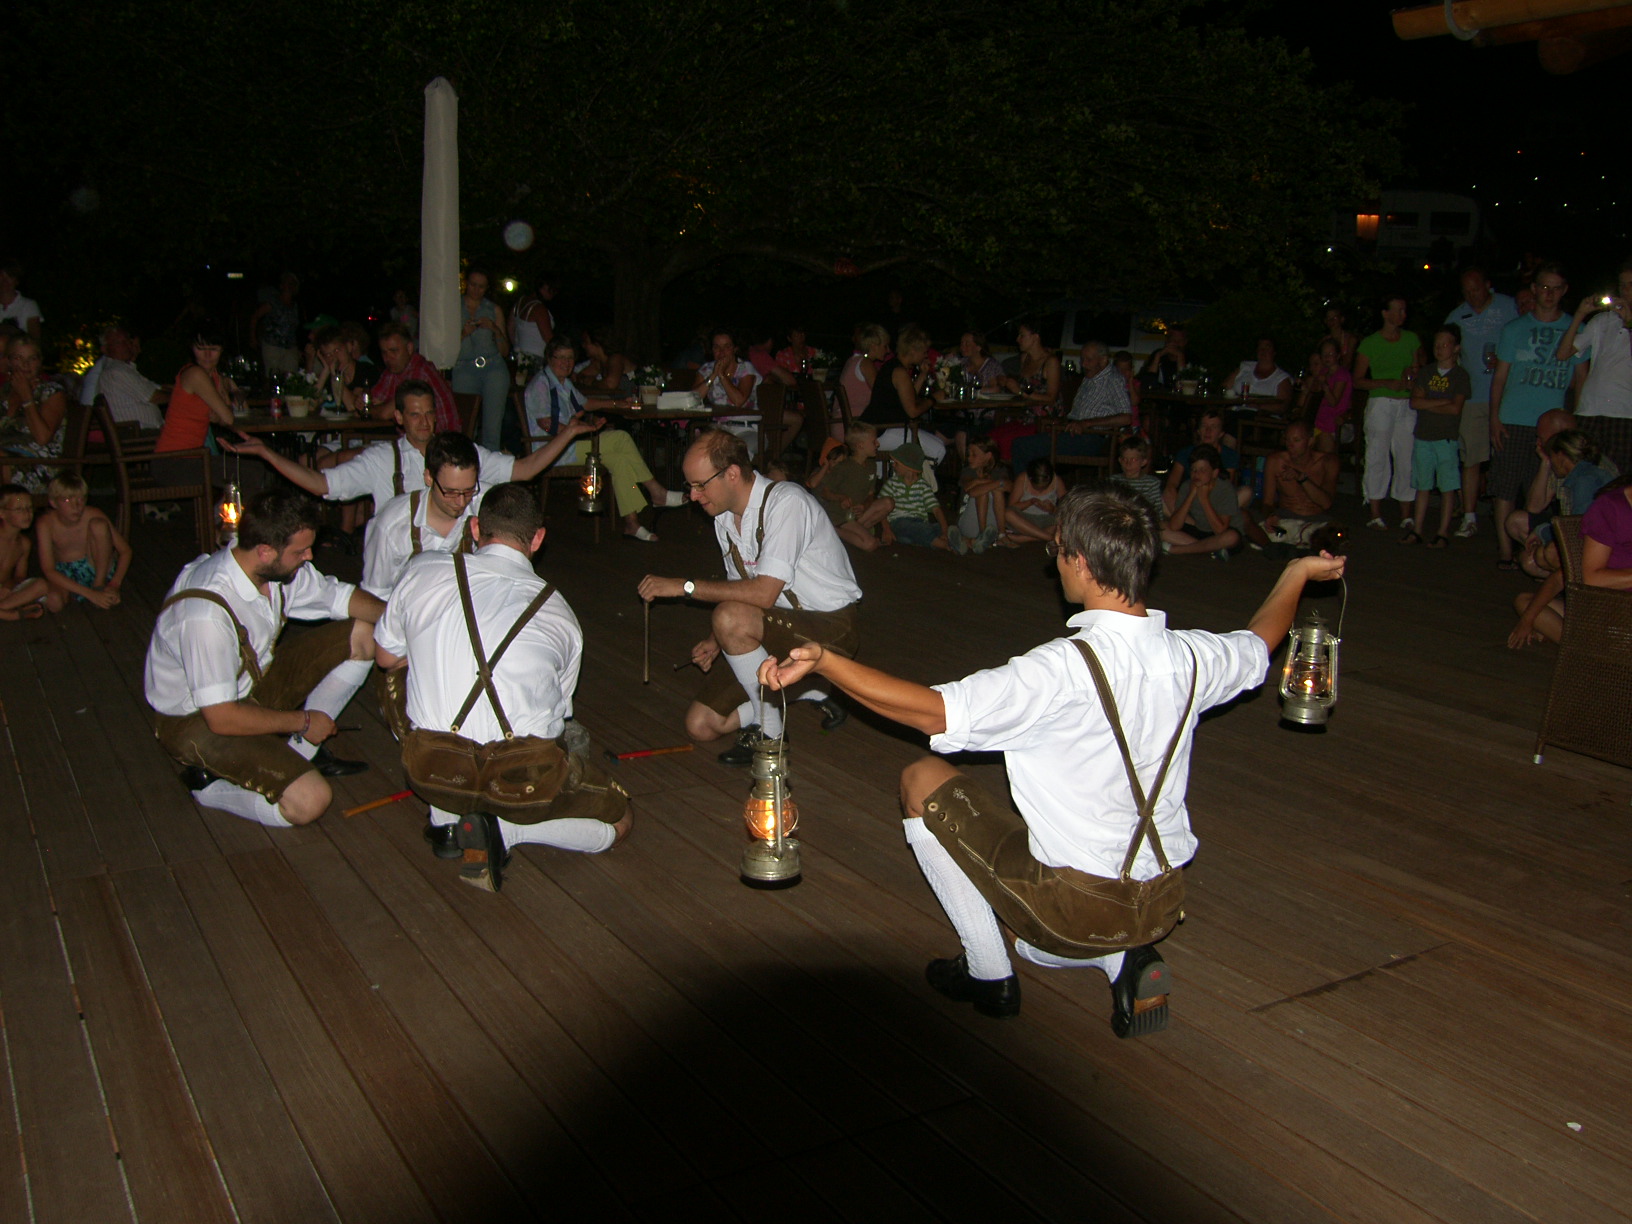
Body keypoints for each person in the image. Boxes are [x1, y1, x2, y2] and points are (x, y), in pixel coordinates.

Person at [757, 485, 1346, 1036]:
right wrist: (1295, 574)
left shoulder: (1059, 671)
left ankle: (988, 974)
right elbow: (1260, 641)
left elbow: (933, 714)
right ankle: (1120, 955)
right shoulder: (1192, 656)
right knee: (1049, 901)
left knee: (921, 778)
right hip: (1162, 900)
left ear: (1082, 564)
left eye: (1058, 550)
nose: (1054, 562)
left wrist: (827, 662)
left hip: (1074, 903)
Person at [375, 481, 632, 890]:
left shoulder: (423, 570)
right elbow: (559, 715)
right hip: (520, 778)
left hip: (433, 765)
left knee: (397, 673)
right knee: (621, 819)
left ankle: (447, 821)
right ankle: (503, 830)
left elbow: (385, 657)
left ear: (476, 528)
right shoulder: (561, 613)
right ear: (538, 539)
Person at [144, 487, 386, 828]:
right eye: (300, 551)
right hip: (197, 721)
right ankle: (207, 788)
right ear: (265, 550)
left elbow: (341, 598)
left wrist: (403, 626)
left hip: (252, 684)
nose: (309, 557)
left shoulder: (273, 570)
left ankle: (300, 752)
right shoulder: (204, 616)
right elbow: (222, 718)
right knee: (310, 801)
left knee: (365, 633)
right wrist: (304, 721)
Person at [637, 428, 859, 764]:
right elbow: (739, 591)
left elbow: (763, 593)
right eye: (690, 486)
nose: (693, 496)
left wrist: (684, 586)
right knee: (702, 725)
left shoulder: (787, 502)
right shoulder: (724, 516)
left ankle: (771, 734)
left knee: (730, 617)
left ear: (731, 473)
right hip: (777, 627)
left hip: (831, 628)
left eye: (700, 485)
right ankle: (812, 689)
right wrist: (715, 640)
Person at [227, 379, 595, 533]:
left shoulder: (459, 455)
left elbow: (525, 470)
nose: (424, 422)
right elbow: (322, 484)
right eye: (415, 414)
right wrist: (267, 453)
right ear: (400, 418)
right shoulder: (382, 459)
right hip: (401, 572)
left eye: (429, 413)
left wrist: (567, 434)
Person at [523, 338, 687, 541]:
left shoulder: (563, 383)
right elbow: (546, 423)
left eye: (570, 358)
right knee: (621, 438)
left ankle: (632, 523)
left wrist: (618, 404)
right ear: (549, 358)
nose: (566, 363)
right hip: (551, 450)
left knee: (620, 459)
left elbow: (586, 403)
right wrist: (578, 431)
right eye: (561, 358)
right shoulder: (541, 384)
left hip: (569, 444)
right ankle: (656, 491)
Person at [1491, 263, 1584, 570]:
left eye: (1556, 288)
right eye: (1544, 287)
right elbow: (1500, 378)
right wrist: (1494, 418)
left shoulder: (1576, 329)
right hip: (1513, 418)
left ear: (1564, 291)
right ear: (1534, 289)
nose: (1549, 294)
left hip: (1553, 425)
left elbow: (1581, 378)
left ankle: (1537, 552)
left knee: (1545, 492)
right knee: (1505, 486)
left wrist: (1576, 420)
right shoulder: (1514, 329)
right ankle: (1506, 553)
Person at [1510, 469, 1632, 648]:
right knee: (1525, 602)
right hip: (1609, 610)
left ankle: (1587, 648)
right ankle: (1586, 648)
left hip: (1609, 611)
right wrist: (1527, 620)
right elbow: (1573, 577)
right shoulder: (1611, 509)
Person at [360, 431, 481, 599]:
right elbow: (375, 595)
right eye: (450, 492)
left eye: (469, 491)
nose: (461, 502)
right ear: (429, 478)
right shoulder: (390, 525)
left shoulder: (485, 507)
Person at [1446, 267, 1519, 537]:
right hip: (1473, 396)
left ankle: (1508, 518)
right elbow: (1446, 349)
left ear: (1488, 285)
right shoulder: (1457, 316)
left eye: (1475, 289)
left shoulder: (1509, 306)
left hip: (1507, 396)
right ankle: (1469, 516)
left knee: (1506, 457)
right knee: (1471, 458)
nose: (1472, 295)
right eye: (1466, 291)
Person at [1554, 259, 1632, 476]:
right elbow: (1563, 354)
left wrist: (1629, 322)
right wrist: (1580, 314)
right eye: (1622, 285)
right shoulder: (1602, 321)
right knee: (1585, 473)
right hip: (1590, 410)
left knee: (1619, 477)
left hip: (1624, 413)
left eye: (1631, 285)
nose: (1626, 290)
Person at [1354, 295, 1424, 531]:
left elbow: (1416, 369)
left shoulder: (1411, 339)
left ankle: (1406, 514)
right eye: (1398, 310)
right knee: (1377, 455)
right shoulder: (1370, 343)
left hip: (1405, 403)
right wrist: (1385, 382)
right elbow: (1358, 380)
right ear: (1385, 313)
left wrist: (1411, 378)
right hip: (1381, 403)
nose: (1403, 314)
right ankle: (1375, 512)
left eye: (1404, 310)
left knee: (1406, 456)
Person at [1011, 340, 1132, 476]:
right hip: (1074, 432)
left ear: (1103, 360)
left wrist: (1086, 423)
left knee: (1022, 445)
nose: (1083, 364)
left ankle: (1023, 487)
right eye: (1082, 359)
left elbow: (1126, 417)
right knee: (1030, 443)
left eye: (1089, 360)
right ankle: (1037, 485)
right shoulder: (1091, 376)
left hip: (1091, 438)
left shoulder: (1112, 379)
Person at [1402, 326, 1471, 548]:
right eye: (1436, 345)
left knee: (1447, 487)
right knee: (1422, 485)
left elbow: (1455, 408)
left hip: (1446, 438)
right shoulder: (1427, 372)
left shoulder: (1460, 375)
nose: (1439, 349)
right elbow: (1415, 402)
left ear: (1456, 348)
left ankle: (1442, 532)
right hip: (1423, 436)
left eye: (1445, 344)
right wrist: (1443, 401)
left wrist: (1428, 403)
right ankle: (1417, 530)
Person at [36, 473, 131, 611]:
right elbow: (48, 570)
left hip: (97, 567)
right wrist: (90, 594)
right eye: (67, 500)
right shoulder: (45, 523)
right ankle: (87, 594)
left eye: (81, 499)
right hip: (66, 573)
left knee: (99, 525)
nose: (76, 506)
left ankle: (99, 585)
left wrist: (114, 585)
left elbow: (125, 551)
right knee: (54, 603)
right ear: (53, 502)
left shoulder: (93, 514)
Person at [449, 268, 512, 452]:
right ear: (466, 283)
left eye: (481, 286)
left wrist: (494, 328)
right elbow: (443, 348)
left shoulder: (493, 309)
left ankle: (491, 464)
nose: (476, 290)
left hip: (493, 368)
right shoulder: (453, 307)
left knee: (492, 427)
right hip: (463, 368)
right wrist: (463, 333)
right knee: (465, 426)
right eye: (473, 285)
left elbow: (505, 351)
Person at [0, 335, 68, 492]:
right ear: (9, 361)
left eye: (32, 359)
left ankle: (12, 503)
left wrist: (27, 398)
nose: (25, 364)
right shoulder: (4, 393)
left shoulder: (51, 392)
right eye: (18, 358)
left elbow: (42, 438)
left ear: (40, 362)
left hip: (36, 465)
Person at [809, 421, 890, 551]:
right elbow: (825, 492)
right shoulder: (843, 467)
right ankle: (833, 530)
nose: (877, 444)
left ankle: (854, 532)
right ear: (860, 445)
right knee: (870, 545)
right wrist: (840, 498)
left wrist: (865, 506)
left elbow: (871, 495)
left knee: (888, 503)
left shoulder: (871, 466)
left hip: (856, 514)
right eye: (873, 441)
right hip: (840, 516)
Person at [872, 326, 947, 462]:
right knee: (938, 449)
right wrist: (933, 399)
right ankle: (916, 476)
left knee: (937, 442)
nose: (926, 356)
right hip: (884, 430)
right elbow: (912, 411)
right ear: (913, 351)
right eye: (924, 352)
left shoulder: (893, 366)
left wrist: (923, 374)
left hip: (886, 427)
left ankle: (908, 474)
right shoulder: (899, 372)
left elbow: (909, 396)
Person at [370, 322, 460, 433]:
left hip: (439, 439)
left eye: (394, 351)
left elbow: (384, 413)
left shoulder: (420, 373)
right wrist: (371, 407)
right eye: (384, 353)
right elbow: (368, 402)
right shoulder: (392, 372)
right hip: (413, 438)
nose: (388, 357)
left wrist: (374, 408)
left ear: (409, 348)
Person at [1260, 421, 1338, 547]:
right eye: (1287, 440)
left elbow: (1326, 503)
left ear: (1310, 441)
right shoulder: (1276, 461)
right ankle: (1299, 542)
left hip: (1317, 518)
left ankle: (1299, 542)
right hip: (1287, 517)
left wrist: (1302, 479)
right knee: (1264, 534)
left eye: (1296, 440)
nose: (1290, 445)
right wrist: (1271, 516)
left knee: (1331, 536)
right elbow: (1267, 502)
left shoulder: (1327, 462)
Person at [1163, 444, 1242, 559]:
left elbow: (1220, 530)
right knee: (1160, 527)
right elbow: (1174, 526)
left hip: (1218, 533)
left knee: (1231, 537)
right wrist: (1191, 495)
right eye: (1193, 470)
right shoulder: (1187, 486)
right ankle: (1209, 549)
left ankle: (1178, 550)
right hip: (1198, 530)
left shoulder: (1225, 488)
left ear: (1214, 472)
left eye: (1202, 470)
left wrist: (1204, 499)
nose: (1196, 474)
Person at [81, 326, 165, 430]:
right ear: (105, 349)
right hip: (137, 433)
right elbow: (155, 396)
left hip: (142, 431)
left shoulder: (121, 367)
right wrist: (180, 395)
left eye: (127, 341)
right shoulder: (115, 370)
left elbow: (154, 387)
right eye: (118, 343)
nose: (126, 346)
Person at [1162, 409, 1244, 514]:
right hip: (1189, 497)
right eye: (1204, 426)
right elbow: (1172, 483)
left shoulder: (1229, 455)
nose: (1208, 431)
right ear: (1198, 430)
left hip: (1214, 500)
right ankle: (1184, 519)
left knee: (1245, 493)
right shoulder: (1185, 453)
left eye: (1213, 427)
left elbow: (1225, 486)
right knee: (1164, 497)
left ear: (1221, 433)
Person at [879, 440, 951, 551]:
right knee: (913, 528)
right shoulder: (892, 484)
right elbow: (881, 510)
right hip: (898, 522)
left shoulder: (923, 486)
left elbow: (936, 510)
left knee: (936, 528)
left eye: (896, 463)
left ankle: (956, 539)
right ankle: (941, 543)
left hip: (920, 522)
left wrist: (945, 531)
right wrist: (886, 529)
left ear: (908, 467)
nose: (893, 465)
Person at [952, 437, 1009, 553]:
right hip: (969, 522)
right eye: (968, 454)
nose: (969, 458)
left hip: (992, 525)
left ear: (988, 456)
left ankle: (1000, 535)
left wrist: (980, 482)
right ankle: (981, 535)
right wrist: (997, 483)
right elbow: (971, 490)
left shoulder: (999, 470)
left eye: (974, 455)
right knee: (983, 493)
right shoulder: (968, 471)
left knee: (996, 492)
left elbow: (1009, 486)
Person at [0, 484, 47, 620]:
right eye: (19, 509)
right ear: (2, 513)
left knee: (42, 585)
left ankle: (3, 608)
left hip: (5, 592)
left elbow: (20, 577)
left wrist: (8, 587)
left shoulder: (24, 543)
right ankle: (13, 615)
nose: (27, 514)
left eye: (29, 508)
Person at [1301, 338, 1353, 454]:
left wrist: (1324, 385)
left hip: (1336, 421)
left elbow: (1333, 402)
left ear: (1337, 355)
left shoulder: (1342, 375)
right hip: (1320, 419)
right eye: (1324, 355)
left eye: (1330, 354)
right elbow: (1314, 394)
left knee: (1323, 439)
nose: (1327, 358)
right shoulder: (1323, 372)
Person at [837, 323, 889, 435]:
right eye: (885, 346)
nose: (888, 350)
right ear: (874, 346)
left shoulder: (852, 360)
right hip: (855, 429)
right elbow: (882, 395)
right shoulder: (865, 363)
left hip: (843, 424)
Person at [1003, 457, 1066, 544]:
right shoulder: (1022, 478)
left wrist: (1052, 509)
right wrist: (1030, 502)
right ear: (1030, 479)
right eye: (1036, 488)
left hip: (1046, 519)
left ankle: (1027, 537)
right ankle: (1049, 537)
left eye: (1044, 488)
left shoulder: (1057, 481)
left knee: (1064, 522)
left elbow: (1067, 509)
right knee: (1007, 514)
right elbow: (1012, 507)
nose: (1040, 491)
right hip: (1025, 519)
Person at [250, 273, 302, 377]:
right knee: (273, 376)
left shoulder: (295, 306)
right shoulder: (272, 302)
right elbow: (255, 317)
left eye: (292, 283)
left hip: (290, 347)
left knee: (291, 376)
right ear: (281, 286)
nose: (289, 286)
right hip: (272, 346)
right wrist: (253, 338)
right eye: (287, 283)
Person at [509, 276, 555, 380]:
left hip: (520, 358)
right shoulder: (539, 309)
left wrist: (517, 346)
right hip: (535, 361)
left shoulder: (519, 303)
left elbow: (510, 328)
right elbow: (548, 338)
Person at [1228, 337, 1293, 404]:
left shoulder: (1281, 378)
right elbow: (1225, 389)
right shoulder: (1244, 367)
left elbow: (1282, 405)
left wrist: (1252, 405)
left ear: (1274, 352)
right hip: (1234, 408)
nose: (1263, 351)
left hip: (1259, 410)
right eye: (1260, 347)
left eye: (1267, 348)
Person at [1110, 436, 1163, 517]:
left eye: (1133, 460)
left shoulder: (1151, 483)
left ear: (1143, 462)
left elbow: (1157, 511)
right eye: (1125, 459)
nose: (1128, 464)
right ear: (1120, 460)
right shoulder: (1113, 481)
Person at [0, 262, 43, 342]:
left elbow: (35, 338)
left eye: (10, 277)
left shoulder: (28, 305)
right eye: (1, 276)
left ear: (17, 281)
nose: (5, 281)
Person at [1141, 324, 1189, 389]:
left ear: (1185, 342)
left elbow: (1186, 386)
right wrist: (1157, 357)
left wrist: (1180, 357)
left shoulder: (1192, 358)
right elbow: (1147, 383)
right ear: (1167, 341)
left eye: (1179, 341)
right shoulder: (1158, 354)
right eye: (1173, 340)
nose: (1176, 344)